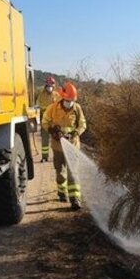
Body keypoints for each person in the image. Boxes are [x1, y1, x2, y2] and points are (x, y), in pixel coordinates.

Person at [41, 82, 87, 210]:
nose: (69, 102)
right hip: (58, 147)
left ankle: (75, 199)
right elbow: (44, 121)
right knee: (60, 172)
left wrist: (76, 132)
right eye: (67, 100)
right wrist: (52, 130)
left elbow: (83, 124)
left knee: (73, 172)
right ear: (63, 97)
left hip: (73, 146)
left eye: (72, 100)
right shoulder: (53, 108)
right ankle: (62, 193)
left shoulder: (77, 108)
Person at [36, 76, 60, 162]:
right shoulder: (41, 95)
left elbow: (59, 106)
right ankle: (44, 157)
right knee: (45, 140)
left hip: (55, 121)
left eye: (51, 85)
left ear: (54, 86)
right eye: (48, 85)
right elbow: (38, 104)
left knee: (56, 139)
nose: (49, 87)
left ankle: (57, 157)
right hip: (45, 121)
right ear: (45, 85)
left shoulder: (57, 95)